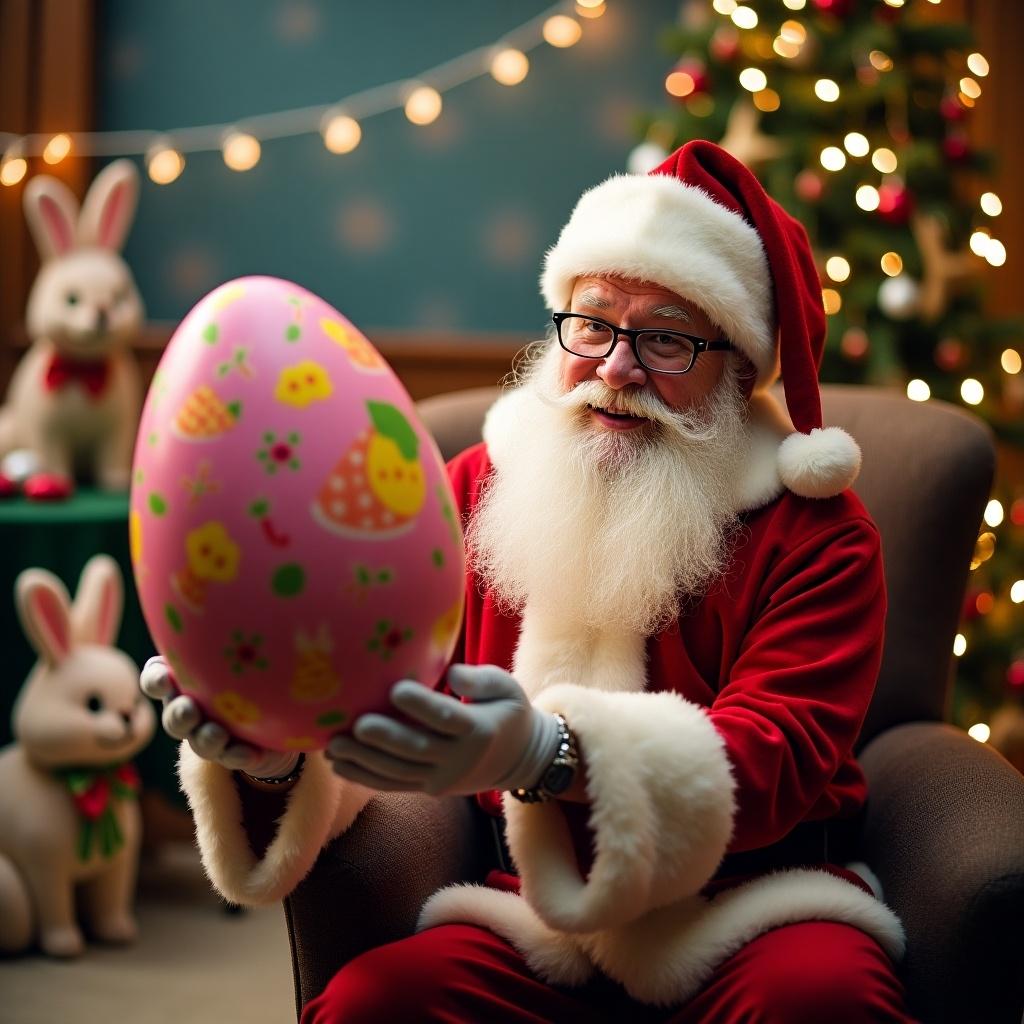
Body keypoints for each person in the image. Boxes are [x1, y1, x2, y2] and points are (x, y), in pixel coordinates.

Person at [141, 140, 916, 1022]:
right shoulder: (470, 489)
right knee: (372, 1006)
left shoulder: (816, 533)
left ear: (737, 368)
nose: (617, 370)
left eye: (665, 338)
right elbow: (391, 701)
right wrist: (276, 754)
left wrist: (547, 755)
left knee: (822, 1002)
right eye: (593, 324)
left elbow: (778, 755)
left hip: (753, 907)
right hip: (530, 915)